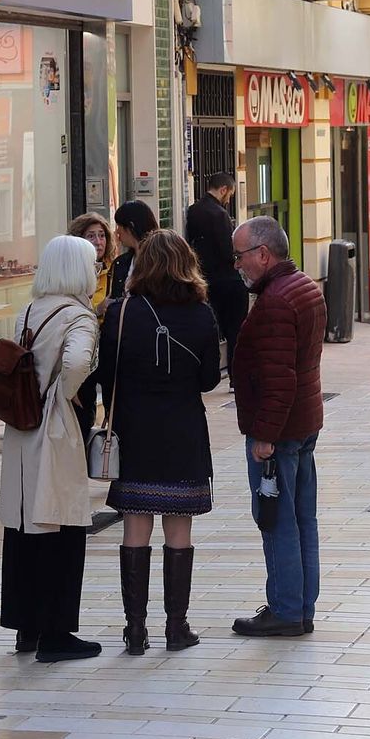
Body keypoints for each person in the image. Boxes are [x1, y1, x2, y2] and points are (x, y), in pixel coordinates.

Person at [98, 231, 219, 655]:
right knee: (178, 526)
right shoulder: (202, 313)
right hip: (183, 428)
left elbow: (106, 374)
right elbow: (208, 380)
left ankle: (134, 630)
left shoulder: (121, 311)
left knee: (135, 524)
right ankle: (176, 626)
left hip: (137, 429)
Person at [0, 235, 102, 662]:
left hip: (21, 428)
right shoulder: (78, 316)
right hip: (55, 426)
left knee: (24, 525)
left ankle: (27, 628)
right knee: (61, 523)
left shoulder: (29, 308)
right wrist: (66, 392)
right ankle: (57, 633)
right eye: (93, 263)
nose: (97, 271)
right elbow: (76, 363)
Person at [229, 217, 326, 638]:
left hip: (281, 430)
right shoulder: (303, 286)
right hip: (304, 421)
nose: (238, 265)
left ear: (263, 254)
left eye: (240, 256)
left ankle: (286, 610)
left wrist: (265, 435)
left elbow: (278, 376)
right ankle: (301, 606)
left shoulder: (274, 302)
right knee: (302, 519)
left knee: (277, 520)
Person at [186, 172, 249, 376]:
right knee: (235, 330)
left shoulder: (194, 210)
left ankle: (207, 370)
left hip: (204, 278)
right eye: (229, 194)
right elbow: (226, 250)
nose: (229, 199)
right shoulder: (219, 214)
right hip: (227, 281)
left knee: (209, 327)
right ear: (223, 190)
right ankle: (234, 374)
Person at [69, 212, 116, 436]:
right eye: (91, 236)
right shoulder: (71, 274)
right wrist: (97, 311)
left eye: (101, 235)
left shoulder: (116, 270)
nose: (98, 242)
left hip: (109, 348)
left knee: (113, 408)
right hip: (83, 348)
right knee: (83, 411)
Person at [109, 200, 159, 306]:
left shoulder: (162, 261)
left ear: (131, 227)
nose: (117, 232)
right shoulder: (120, 263)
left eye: (119, 226)